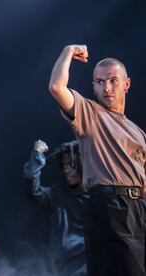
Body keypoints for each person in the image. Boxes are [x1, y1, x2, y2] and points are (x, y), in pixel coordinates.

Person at [49, 45, 146, 275]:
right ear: (93, 86)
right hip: (109, 206)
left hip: (138, 210)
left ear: (126, 84)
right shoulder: (89, 112)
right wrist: (68, 51)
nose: (107, 87)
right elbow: (56, 87)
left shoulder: (138, 132)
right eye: (100, 82)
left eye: (113, 80)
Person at [23, 139, 89, 276]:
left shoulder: (96, 196)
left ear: (82, 164)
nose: (66, 169)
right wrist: (37, 156)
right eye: (63, 165)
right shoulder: (57, 194)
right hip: (64, 266)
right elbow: (32, 191)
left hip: (91, 264)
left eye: (70, 164)